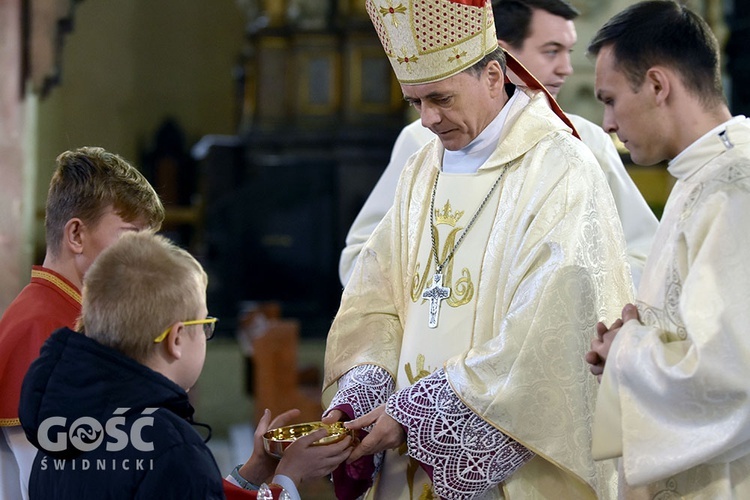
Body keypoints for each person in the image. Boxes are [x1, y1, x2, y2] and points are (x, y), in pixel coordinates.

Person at [322, 0, 634, 498]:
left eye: (441, 98)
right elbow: (374, 297)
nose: (427, 119)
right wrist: (364, 390)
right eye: (416, 102)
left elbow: (553, 323)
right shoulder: (422, 169)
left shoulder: (558, 166)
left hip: (511, 472)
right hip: (404, 460)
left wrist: (420, 416)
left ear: (494, 75)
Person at [338, 0, 659, 289]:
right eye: (550, 50)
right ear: (501, 61)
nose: (566, 68)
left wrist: (564, 290)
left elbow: (644, 257)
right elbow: (360, 261)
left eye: (568, 51)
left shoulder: (579, 142)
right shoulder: (421, 147)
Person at [18, 231, 353, 499]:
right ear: (176, 339)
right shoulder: (169, 448)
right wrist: (288, 480)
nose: (206, 334)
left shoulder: (62, 424)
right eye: (204, 325)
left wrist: (254, 471)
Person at [584, 1, 750, 497]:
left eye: (610, 99)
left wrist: (628, 353)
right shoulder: (699, 174)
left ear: (657, 85)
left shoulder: (734, 187)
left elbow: (733, 372)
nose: (608, 122)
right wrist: (628, 345)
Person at [0, 147, 165, 500]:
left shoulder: (76, 318)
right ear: (76, 235)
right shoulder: (42, 329)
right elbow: (45, 484)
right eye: (131, 236)